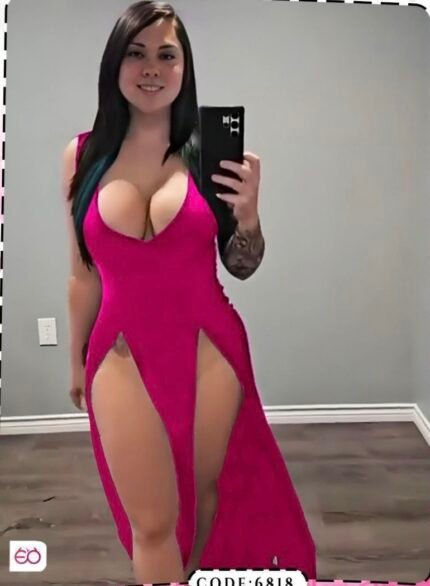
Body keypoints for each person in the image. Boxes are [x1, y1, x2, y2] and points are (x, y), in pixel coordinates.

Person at [62, 1, 316, 583]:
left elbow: (242, 265)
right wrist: (75, 360)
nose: (152, 68)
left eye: (166, 55)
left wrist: (249, 218)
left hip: (209, 346)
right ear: (115, 63)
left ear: (185, 67)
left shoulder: (207, 152)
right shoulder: (81, 155)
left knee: (203, 498)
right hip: (119, 351)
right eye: (136, 53)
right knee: (152, 523)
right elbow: (82, 273)